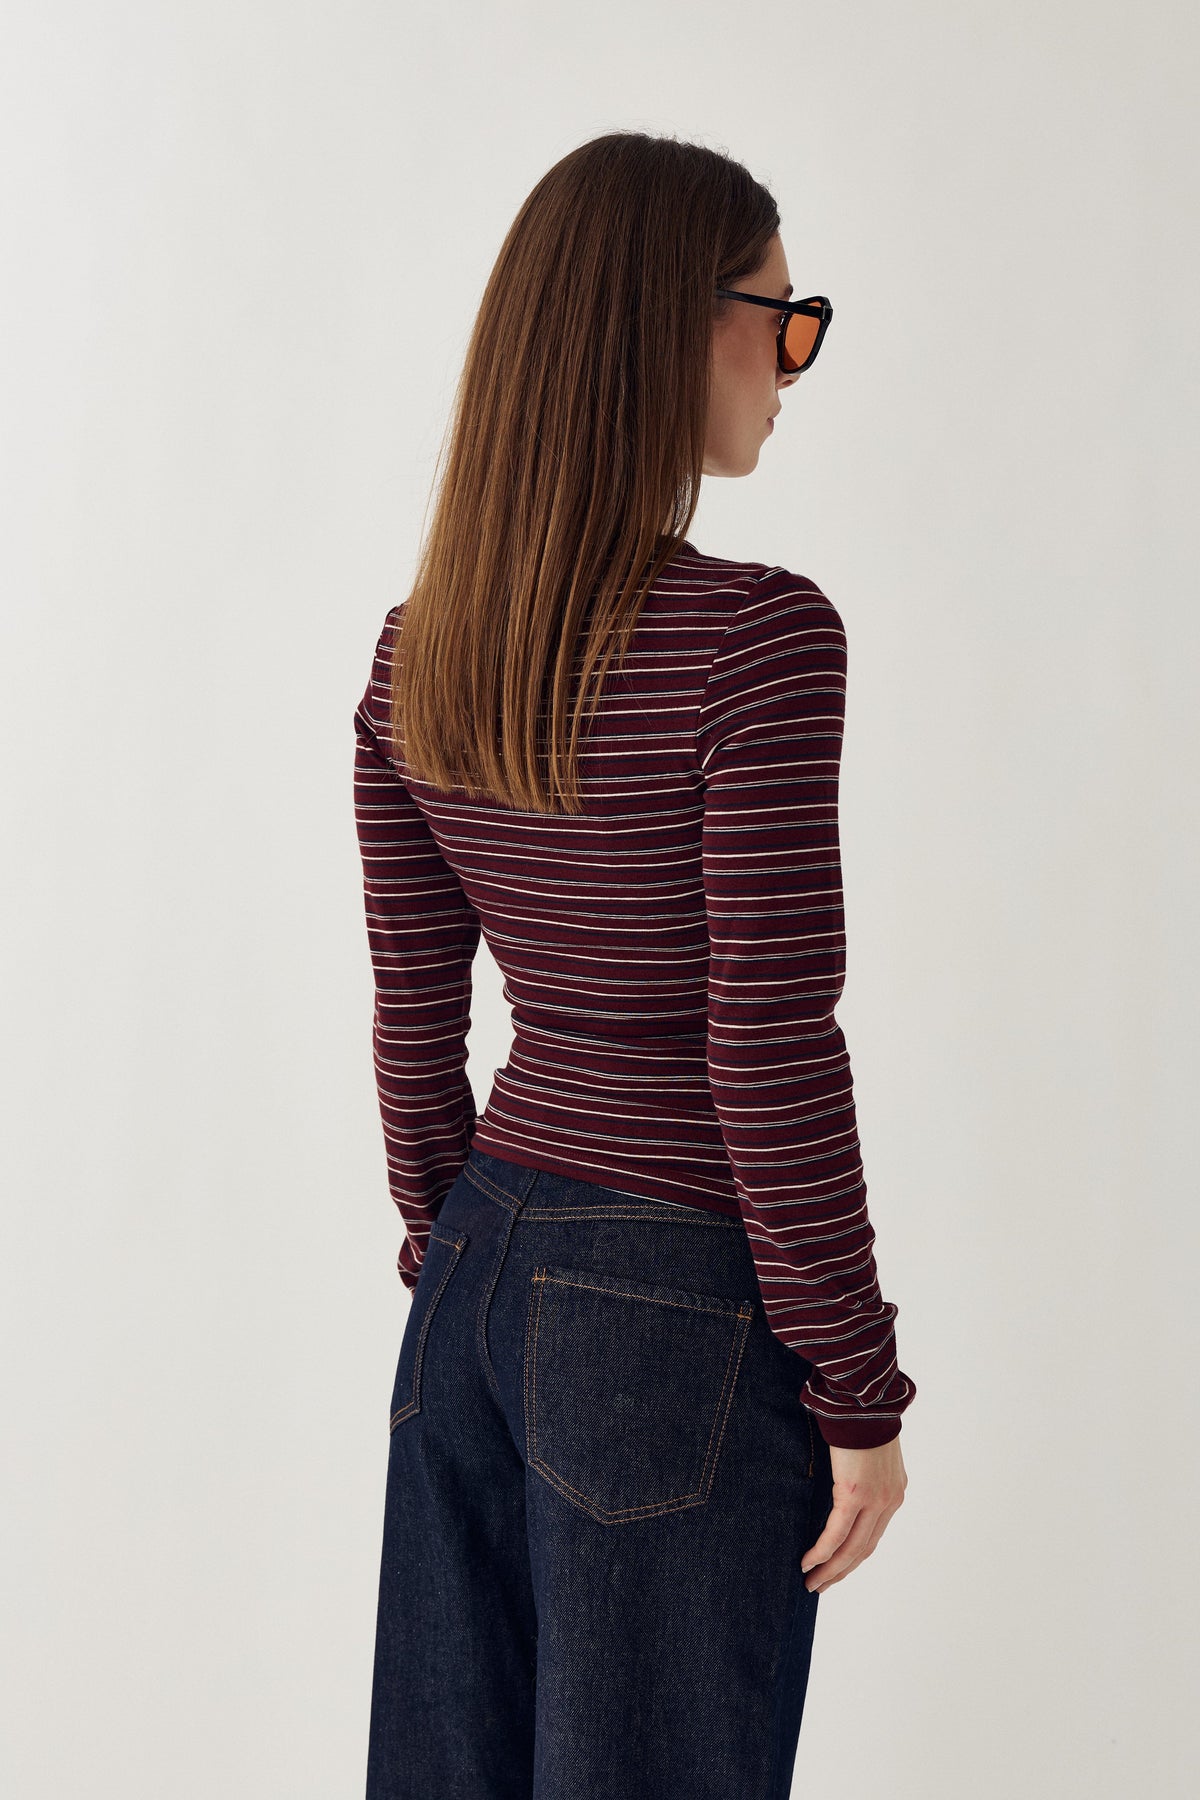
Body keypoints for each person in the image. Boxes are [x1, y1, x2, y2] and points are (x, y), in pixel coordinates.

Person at [353, 129, 916, 1800]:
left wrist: (451, 1249)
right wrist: (858, 1385)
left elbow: (414, 1013)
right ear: (677, 326)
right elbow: (767, 1043)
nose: (793, 363)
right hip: (672, 1311)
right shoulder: (760, 641)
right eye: (780, 317)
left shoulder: (420, 653)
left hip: (470, 1290)